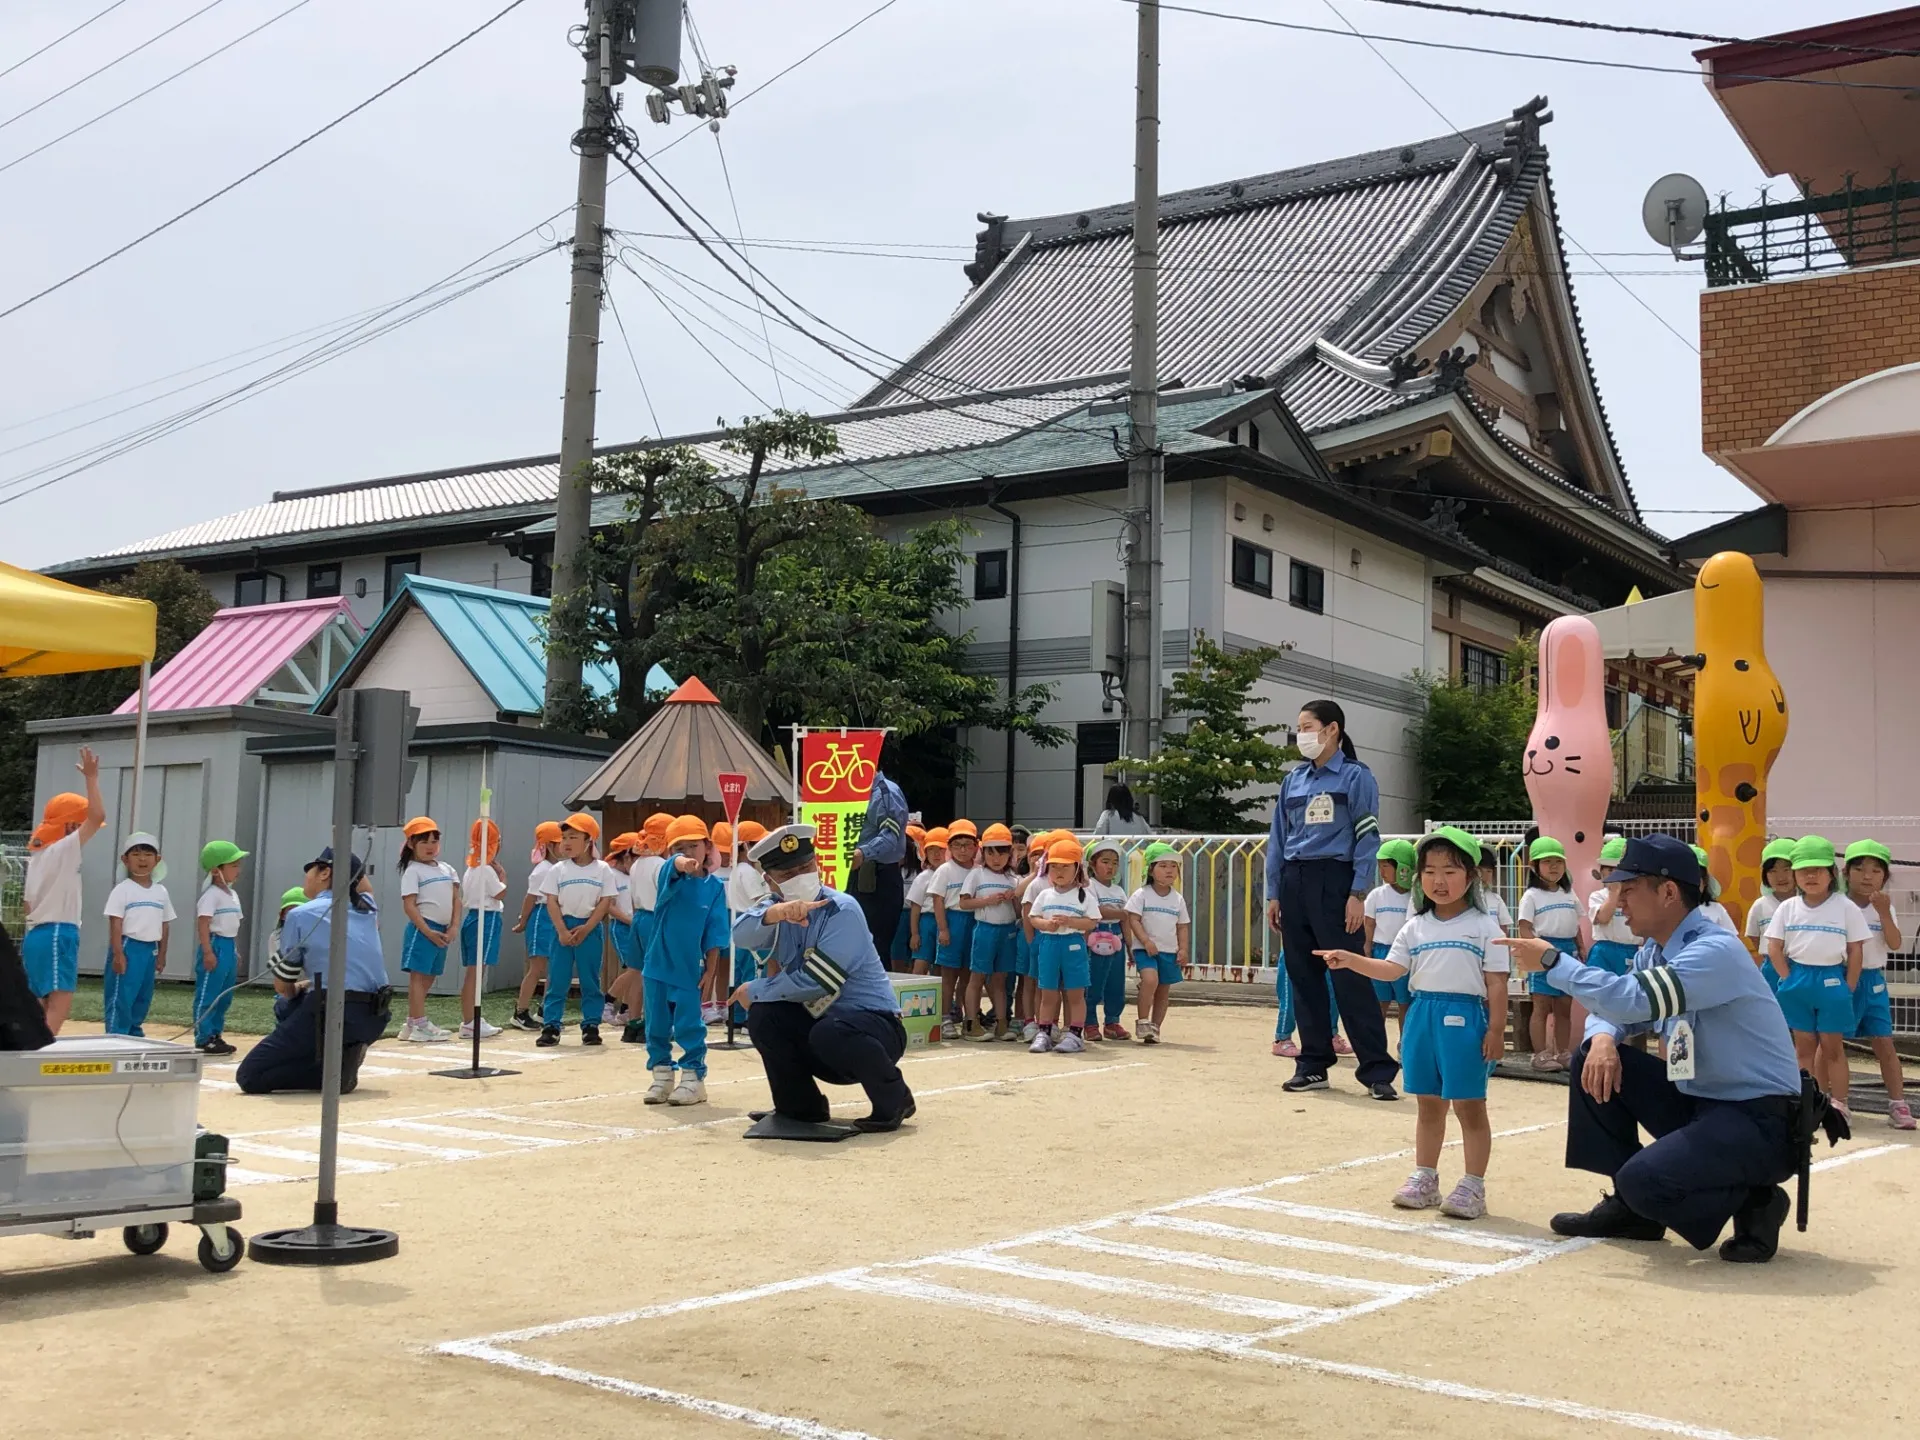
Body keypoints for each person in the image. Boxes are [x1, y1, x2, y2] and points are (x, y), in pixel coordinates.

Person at [1502, 835, 1805, 1264]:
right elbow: (1620, 1009)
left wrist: (1554, 962)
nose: (1618, 901)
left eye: (1628, 890)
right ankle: (1633, 1212)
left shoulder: (1713, 951)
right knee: (1594, 1055)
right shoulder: (1654, 951)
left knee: (1644, 1181)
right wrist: (1605, 1037)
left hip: (1757, 1118)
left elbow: (1632, 999)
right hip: (1702, 1102)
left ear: (1667, 892)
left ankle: (1755, 1199)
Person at [1318, 828, 1508, 1220]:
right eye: (1430, 871)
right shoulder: (1415, 926)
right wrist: (1351, 959)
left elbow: (1496, 983)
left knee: (1470, 1106)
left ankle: (1474, 1185)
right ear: (1418, 877)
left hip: (1466, 1017)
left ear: (1471, 876)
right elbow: (1391, 970)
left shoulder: (1485, 927)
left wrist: (1494, 1032)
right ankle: (1426, 1179)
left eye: (1451, 871)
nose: (1439, 881)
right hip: (1421, 1015)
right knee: (1428, 1104)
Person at [731, 824, 915, 1132]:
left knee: (828, 1030)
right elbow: (741, 934)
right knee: (766, 1017)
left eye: (806, 867)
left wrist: (757, 988)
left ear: (817, 864)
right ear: (770, 880)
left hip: (874, 1026)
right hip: (823, 1025)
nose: (800, 877)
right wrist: (774, 914)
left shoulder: (842, 909)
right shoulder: (776, 908)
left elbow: (818, 981)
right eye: (788, 875)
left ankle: (894, 1099)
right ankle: (800, 1108)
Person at [1264, 700, 1399, 1099]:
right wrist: (1274, 893)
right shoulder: (1293, 780)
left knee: (1349, 974)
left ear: (1332, 730)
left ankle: (1377, 1070)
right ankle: (1313, 1064)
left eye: (1307, 726)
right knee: (1303, 977)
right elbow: (1278, 839)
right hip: (1294, 879)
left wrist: (1358, 892)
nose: (1301, 735)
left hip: (1335, 880)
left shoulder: (1357, 777)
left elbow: (1368, 837)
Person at [237, 848, 394, 1095]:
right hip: (375, 1017)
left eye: (311, 870)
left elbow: (283, 987)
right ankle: (340, 1056)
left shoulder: (300, 915)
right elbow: (364, 884)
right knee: (296, 1007)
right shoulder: (368, 907)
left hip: (331, 1014)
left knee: (250, 1075)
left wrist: (301, 986)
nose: (306, 877)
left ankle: (330, 1073)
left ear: (325, 872)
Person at [1763, 836, 1867, 1117]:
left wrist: (1849, 985)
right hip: (1798, 978)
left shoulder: (1845, 906)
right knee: (1803, 1048)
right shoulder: (1787, 908)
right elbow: (1774, 946)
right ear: (1796, 874)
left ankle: (1840, 1104)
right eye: (1804, 870)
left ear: (1832, 873)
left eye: (1818, 869)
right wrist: (1787, 978)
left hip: (1833, 980)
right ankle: (1806, 1103)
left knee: (1833, 1047)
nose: (1811, 876)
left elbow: (1855, 949)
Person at [641, 815, 730, 1104]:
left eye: (694, 845)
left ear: (708, 846)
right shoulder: (670, 877)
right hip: (657, 964)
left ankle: (693, 1078)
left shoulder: (715, 888)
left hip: (691, 968)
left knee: (689, 1024)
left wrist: (712, 971)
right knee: (655, 1024)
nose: (688, 853)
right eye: (679, 847)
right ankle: (662, 1077)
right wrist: (680, 862)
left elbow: (716, 933)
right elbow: (673, 866)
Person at [21, 746, 106, 1035]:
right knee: (60, 998)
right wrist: (92, 779)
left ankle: (24, 1048)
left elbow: (27, 905)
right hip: (58, 931)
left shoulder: (38, 857)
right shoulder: (63, 849)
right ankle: (40, 1049)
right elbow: (96, 817)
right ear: (70, 824)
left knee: (39, 1000)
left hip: (36, 934)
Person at [1843, 839, 1912, 1130]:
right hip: (1843, 979)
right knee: (1833, 1045)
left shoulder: (1885, 907)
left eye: (1875, 870)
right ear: (1845, 873)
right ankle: (1838, 1101)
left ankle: (1898, 1103)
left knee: (1884, 1042)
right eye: (1859, 868)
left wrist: (1884, 913)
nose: (1867, 876)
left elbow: (1895, 944)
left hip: (1873, 981)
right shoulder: (1838, 906)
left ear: (1884, 876)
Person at [538, 812, 616, 1048]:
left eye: (573, 837)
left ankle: (591, 1024)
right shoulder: (558, 870)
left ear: (588, 840)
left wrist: (588, 927)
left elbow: (605, 901)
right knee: (558, 978)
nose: (567, 842)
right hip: (563, 927)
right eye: (564, 837)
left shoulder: (602, 869)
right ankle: (551, 1025)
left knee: (590, 978)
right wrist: (562, 930)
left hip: (589, 929)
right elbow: (551, 900)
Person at [1517, 837, 1581, 1072]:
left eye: (1558, 861)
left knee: (1564, 1006)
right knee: (1541, 1005)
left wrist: (1580, 947)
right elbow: (1524, 926)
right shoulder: (1531, 896)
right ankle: (1541, 1054)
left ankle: (1563, 1052)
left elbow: (1576, 924)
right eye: (1547, 862)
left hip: (1568, 951)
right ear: (1534, 867)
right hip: (1542, 950)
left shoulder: (1569, 894)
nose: (1554, 867)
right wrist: (1534, 949)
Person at [846, 740, 911, 966]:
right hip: (852, 874)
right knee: (851, 942)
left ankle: (874, 1000)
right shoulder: (849, 789)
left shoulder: (886, 792)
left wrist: (863, 852)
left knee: (875, 944)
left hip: (877, 876)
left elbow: (891, 836)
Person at [103, 833, 173, 1039]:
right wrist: (118, 954)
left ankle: (134, 1033)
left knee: (143, 995)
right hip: (128, 947)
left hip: (150, 949)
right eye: (136, 854)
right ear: (125, 860)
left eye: (148, 854)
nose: (142, 859)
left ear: (157, 859)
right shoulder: (122, 890)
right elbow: (115, 923)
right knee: (122, 995)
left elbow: (165, 923)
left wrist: (162, 954)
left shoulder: (161, 892)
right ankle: (116, 1035)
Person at [397, 816, 460, 1044]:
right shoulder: (412, 871)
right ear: (412, 844)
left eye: (434, 841)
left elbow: (456, 899)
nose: (431, 846)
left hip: (442, 931)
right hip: (423, 930)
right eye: (424, 842)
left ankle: (413, 1022)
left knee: (430, 975)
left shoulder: (447, 869)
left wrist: (453, 927)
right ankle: (419, 1023)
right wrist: (426, 931)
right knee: (418, 975)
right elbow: (409, 905)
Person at [960, 823, 1022, 1041]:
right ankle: (970, 1023)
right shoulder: (977, 875)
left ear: (1009, 854)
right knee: (977, 977)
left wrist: (1013, 898)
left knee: (1000, 980)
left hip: (1007, 931)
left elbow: (1018, 913)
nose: (996, 858)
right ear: (983, 852)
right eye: (991, 852)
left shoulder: (1013, 879)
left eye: (1002, 852)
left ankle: (1001, 1024)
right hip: (985, 929)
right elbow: (964, 903)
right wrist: (987, 900)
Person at [1125, 842, 1190, 1045]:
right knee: (1150, 980)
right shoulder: (1142, 894)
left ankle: (1155, 1028)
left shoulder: (1177, 899)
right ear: (1150, 870)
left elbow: (1182, 926)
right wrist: (1145, 940)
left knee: (1163, 989)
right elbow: (1133, 919)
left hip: (1169, 951)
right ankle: (1143, 1021)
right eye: (1163, 865)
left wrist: (1183, 949)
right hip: (1145, 949)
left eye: (1173, 866)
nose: (1169, 870)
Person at [193, 840, 247, 1054]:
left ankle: (216, 1033)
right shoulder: (211, 896)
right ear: (217, 870)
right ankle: (203, 1036)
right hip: (215, 943)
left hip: (229, 945)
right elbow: (204, 923)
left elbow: (234, 924)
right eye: (233, 865)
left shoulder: (232, 895)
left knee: (224, 995)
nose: (238, 870)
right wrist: (207, 951)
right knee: (208, 993)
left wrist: (235, 949)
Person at [509, 820, 564, 1031]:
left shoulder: (557, 868)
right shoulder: (542, 870)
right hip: (541, 916)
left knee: (554, 967)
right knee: (537, 967)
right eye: (559, 842)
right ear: (549, 845)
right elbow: (530, 898)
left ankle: (545, 1010)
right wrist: (523, 921)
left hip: (553, 914)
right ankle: (521, 1011)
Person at [1362, 838, 1416, 1047]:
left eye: (1386, 866)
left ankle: (1405, 1045)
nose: (1382, 871)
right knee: (1379, 1003)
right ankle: (1375, 1046)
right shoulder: (1377, 895)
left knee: (1405, 1003)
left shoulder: (1415, 896)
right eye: (1380, 866)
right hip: (1380, 952)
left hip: (1405, 956)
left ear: (1402, 867)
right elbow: (1369, 924)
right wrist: (1366, 950)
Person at [930, 819, 980, 1039]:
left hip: (975, 921)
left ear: (976, 847)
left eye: (967, 845)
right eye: (957, 845)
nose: (962, 850)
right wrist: (943, 929)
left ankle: (963, 1013)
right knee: (948, 973)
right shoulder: (945, 870)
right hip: (953, 920)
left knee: (968, 973)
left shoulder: (979, 870)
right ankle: (944, 1018)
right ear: (949, 848)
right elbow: (938, 900)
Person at [459, 819, 506, 1040]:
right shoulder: (486, 870)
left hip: (472, 918)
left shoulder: (471, 868)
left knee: (473, 971)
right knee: (477, 972)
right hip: (485, 918)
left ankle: (470, 1019)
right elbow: (499, 893)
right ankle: (470, 1021)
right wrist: (503, 876)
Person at [1084, 838, 1132, 1041]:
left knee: (1116, 982)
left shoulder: (1119, 891)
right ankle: (1090, 1022)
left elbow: (1126, 920)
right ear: (1093, 865)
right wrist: (1121, 914)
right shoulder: (1090, 887)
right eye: (1105, 861)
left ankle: (1112, 1021)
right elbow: (1096, 911)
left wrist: (1130, 945)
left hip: (1117, 940)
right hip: (1096, 938)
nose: (1110, 866)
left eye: (1114, 862)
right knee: (1093, 981)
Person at [1743, 837, 1797, 991]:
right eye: (1773, 871)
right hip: (1771, 969)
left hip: (1802, 966)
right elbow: (1754, 937)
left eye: (1787, 869)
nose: (1780, 877)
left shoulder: (1808, 902)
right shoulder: (1760, 905)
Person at [1586, 838, 1640, 977]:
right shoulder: (1598, 896)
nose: (1616, 875)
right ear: (1601, 871)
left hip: (1633, 950)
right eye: (1610, 870)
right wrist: (1614, 892)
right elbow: (1603, 918)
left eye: (1620, 870)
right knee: (1598, 991)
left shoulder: (1639, 897)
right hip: (1604, 951)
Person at [906, 827, 948, 975]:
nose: (936, 854)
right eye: (931, 850)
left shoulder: (952, 874)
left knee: (940, 963)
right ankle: (913, 994)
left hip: (947, 919)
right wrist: (915, 933)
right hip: (927, 921)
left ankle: (939, 997)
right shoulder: (923, 877)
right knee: (921, 960)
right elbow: (915, 908)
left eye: (941, 849)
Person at [1692, 846, 1740, 934]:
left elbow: (1731, 940)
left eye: (1697, 877)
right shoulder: (1668, 910)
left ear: (1705, 881)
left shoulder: (1716, 909)